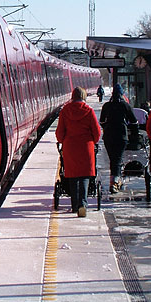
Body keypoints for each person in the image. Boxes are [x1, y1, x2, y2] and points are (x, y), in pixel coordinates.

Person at [55, 86, 101, 217]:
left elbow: (60, 133)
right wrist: (92, 141)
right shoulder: (89, 111)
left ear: (72, 97)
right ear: (84, 96)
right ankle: (82, 204)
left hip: (70, 147)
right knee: (84, 175)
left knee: (73, 175)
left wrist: (63, 140)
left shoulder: (65, 111)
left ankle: (74, 205)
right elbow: (97, 132)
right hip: (86, 147)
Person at [99, 84, 137, 193]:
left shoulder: (106, 106)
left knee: (113, 159)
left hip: (108, 136)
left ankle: (115, 180)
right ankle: (114, 182)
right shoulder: (125, 105)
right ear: (121, 94)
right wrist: (133, 132)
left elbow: (102, 121)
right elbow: (134, 121)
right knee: (117, 159)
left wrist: (106, 127)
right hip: (121, 135)